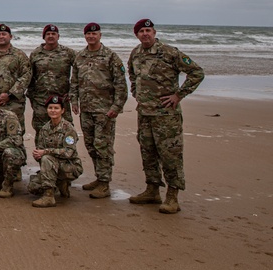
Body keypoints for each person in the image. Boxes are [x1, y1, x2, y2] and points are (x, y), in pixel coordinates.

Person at [127, 18, 205, 214]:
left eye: (148, 30)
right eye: (141, 31)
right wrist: (136, 91)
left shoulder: (170, 52)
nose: (145, 34)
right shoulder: (135, 53)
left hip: (166, 115)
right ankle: (152, 190)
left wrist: (179, 95)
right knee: (148, 152)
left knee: (170, 155)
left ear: (154, 32)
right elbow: (132, 74)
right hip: (144, 113)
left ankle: (172, 196)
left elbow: (196, 72)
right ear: (136, 35)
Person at [70, 22, 128, 199]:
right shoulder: (80, 57)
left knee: (103, 146)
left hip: (105, 111)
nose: (91, 36)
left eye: (94, 34)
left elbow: (121, 85)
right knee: (91, 145)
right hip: (86, 109)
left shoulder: (110, 57)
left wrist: (116, 107)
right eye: (88, 34)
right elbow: (74, 82)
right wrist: (74, 101)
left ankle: (104, 183)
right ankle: (99, 177)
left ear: (100, 35)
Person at [28, 95, 84, 208]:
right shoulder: (44, 129)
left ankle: (49, 197)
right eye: (50, 108)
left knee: (46, 158)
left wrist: (45, 152)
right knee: (33, 187)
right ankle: (60, 184)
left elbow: (69, 152)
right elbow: (40, 150)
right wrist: (37, 154)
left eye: (56, 108)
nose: (53, 111)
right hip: (52, 166)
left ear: (62, 110)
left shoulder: (68, 128)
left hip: (70, 166)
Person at [27, 24, 76, 134]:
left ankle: (67, 152)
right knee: (42, 132)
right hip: (41, 101)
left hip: (62, 101)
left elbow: (79, 72)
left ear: (58, 36)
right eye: (48, 34)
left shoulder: (68, 53)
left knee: (67, 131)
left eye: (53, 34)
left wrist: (72, 92)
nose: (51, 36)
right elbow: (29, 77)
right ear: (43, 37)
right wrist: (31, 98)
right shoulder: (36, 54)